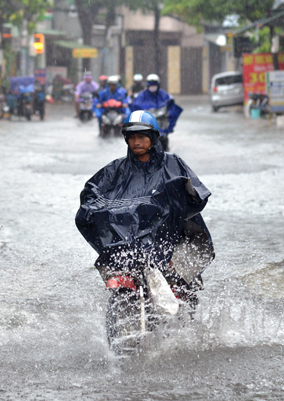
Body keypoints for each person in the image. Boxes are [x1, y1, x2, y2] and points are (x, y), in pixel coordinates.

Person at [74, 110, 214, 305]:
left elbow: (197, 195)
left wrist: (183, 195)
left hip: (171, 241)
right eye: (131, 137)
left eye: (141, 137)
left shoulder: (173, 164)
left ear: (153, 138)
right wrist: (97, 209)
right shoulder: (116, 170)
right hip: (129, 245)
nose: (136, 142)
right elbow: (92, 192)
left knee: (183, 284)